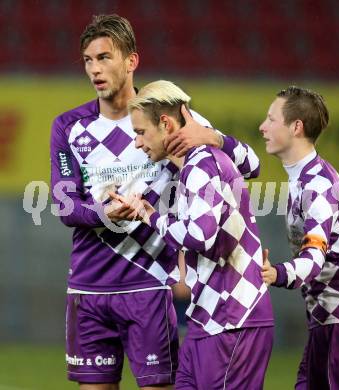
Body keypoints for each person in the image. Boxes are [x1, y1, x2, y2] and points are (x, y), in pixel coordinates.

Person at [50, 14, 262, 390]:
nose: (94, 69)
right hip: (88, 288)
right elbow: (65, 206)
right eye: (88, 60)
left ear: (131, 61)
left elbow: (252, 165)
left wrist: (213, 136)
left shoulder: (168, 118)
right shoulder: (69, 127)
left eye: (104, 58)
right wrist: (103, 212)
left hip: (149, 284)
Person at [119, 80, 274, 390]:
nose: (137, 143)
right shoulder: (188, 166)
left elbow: (199, 236)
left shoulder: (202, 163)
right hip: (206, 318)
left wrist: (150, 215)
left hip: (233, 319)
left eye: (140, 133)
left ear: (165, 123)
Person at [260, 86, 339, 389]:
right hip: (328, 320)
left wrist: (279, 273)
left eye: (271, 119)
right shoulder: (302, 178)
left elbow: (314, 256)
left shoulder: (319, 186)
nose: (263, 126)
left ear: (296, 127)